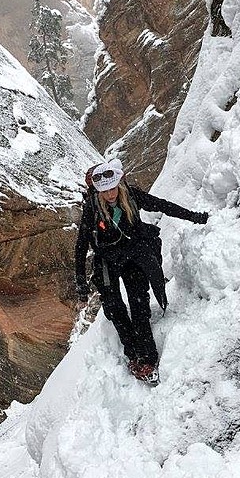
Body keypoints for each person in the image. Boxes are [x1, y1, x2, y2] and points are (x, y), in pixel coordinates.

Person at [74, 158, 208, 383]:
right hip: (108, 260)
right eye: (104, 191)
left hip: (133, 255)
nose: (110, 195)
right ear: (97, 190)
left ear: (119, 184)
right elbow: (81, 245)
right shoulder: (92, 208)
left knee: (139, 305)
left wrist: (194, 217)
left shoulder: (130, 195)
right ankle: (132, 352)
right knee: (115, 308)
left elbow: (161, 204)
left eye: (112, 188)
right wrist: (81, 284)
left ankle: (147, 358)